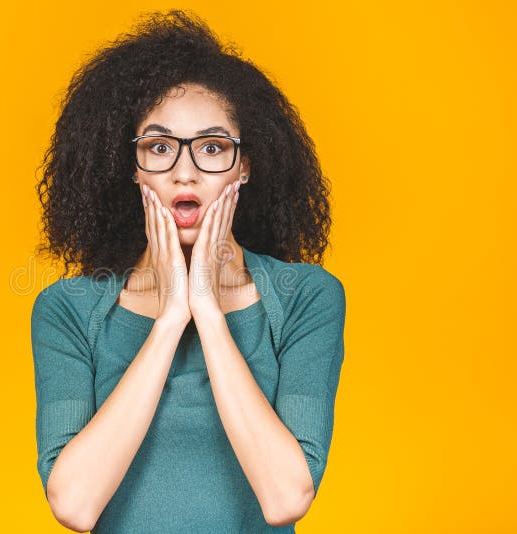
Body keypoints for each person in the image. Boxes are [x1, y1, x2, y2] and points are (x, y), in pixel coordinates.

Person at [31, 9, 346, 533]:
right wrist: (172, 316)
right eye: (158, 147)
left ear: (245, 166)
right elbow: (75, 506)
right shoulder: (68, 310)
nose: (185, 170)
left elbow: (286, 497)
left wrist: (209, 309)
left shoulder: (307, 298)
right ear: (131, 169)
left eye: (213, 148)